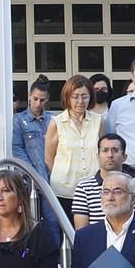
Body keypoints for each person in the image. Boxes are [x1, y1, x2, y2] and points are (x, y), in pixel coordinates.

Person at [70, 134, 135, 229]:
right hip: (96, 242)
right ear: (98, 156)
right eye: (105, 150)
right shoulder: (84, 188)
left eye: (115, 150)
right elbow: (82, 233)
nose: (110, 155)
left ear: (124, 156)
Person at [45, 77, 99, 218]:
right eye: (75, 97)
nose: (80, 101)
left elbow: (102, 152)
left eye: (84, 96)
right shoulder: (56, 123)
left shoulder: (99, 121)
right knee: (67, 233)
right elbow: (49, 158)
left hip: (94, 189)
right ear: (67, 98)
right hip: (64, 190)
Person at [10, 78, 53, 184]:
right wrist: (31, 172)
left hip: (52, 175)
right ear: (29, 95)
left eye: (42, 100)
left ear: (47, 99)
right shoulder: (19, 119)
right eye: (35, 99)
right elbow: (17, 149)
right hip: (29, 177)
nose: (38, 103)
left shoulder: (52, 119)